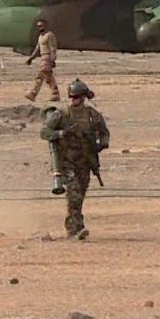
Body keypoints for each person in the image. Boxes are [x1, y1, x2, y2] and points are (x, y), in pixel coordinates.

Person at [39, 79, 109, 240]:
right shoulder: (62, 114)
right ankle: (75, 229)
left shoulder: (92, 115)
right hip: (66, 161)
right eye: (71, 97)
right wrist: (62, 134)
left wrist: (102, 143)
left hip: (85, 161)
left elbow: (104, 132)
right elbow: (44, 132)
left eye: (76, 97)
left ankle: (76, 226)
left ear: (83, 97)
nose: (73, 100)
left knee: (80, 195)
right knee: (74, 194)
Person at [25, 19, 61, 102]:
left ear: (45, 26)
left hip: (47, 58)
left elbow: (53, 48)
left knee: (41, 76)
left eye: (41, 26)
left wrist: (52, 59)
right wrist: (31, 58)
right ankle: (55, 94)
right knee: (48, 77)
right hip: (43, 57)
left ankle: (33, 93)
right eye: (38, 26)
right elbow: (37, 49)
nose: (39, 28)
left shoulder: (49, 35)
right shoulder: (40, 37)